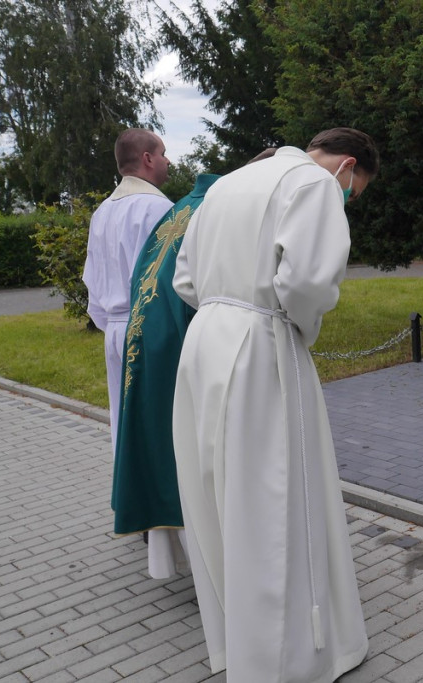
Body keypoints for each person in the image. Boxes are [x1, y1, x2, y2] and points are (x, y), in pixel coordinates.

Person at [171, 128, 379, 680]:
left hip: (205, 342)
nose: (348, 201)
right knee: (276, 494)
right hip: (261, 343)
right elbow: (308, 282)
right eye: (354, 192)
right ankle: (290, 658)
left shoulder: (226, 185)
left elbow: (184, 279)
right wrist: (296, 328)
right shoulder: (311, 183)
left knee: (221, 492)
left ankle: (240, 645)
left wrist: (226, 302)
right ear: (347, 166)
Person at [112, 149, 278, 581]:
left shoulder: (186, 205)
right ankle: (217, 566)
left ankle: (179, 556)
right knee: (196, 448)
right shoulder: (221, 208)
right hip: (182, 337)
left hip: (146, 334)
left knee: (163, 440)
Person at [83, 128, 173, 457]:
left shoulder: (102, 212)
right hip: (150, 330)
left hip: (115, 331)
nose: (167, 161)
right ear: (147, 159)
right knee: (157, 423)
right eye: (163, 153)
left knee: (124, 421)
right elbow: (167, 279)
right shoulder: (157, 210)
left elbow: (92, 278)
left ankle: (131, 497)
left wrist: (113, 324)